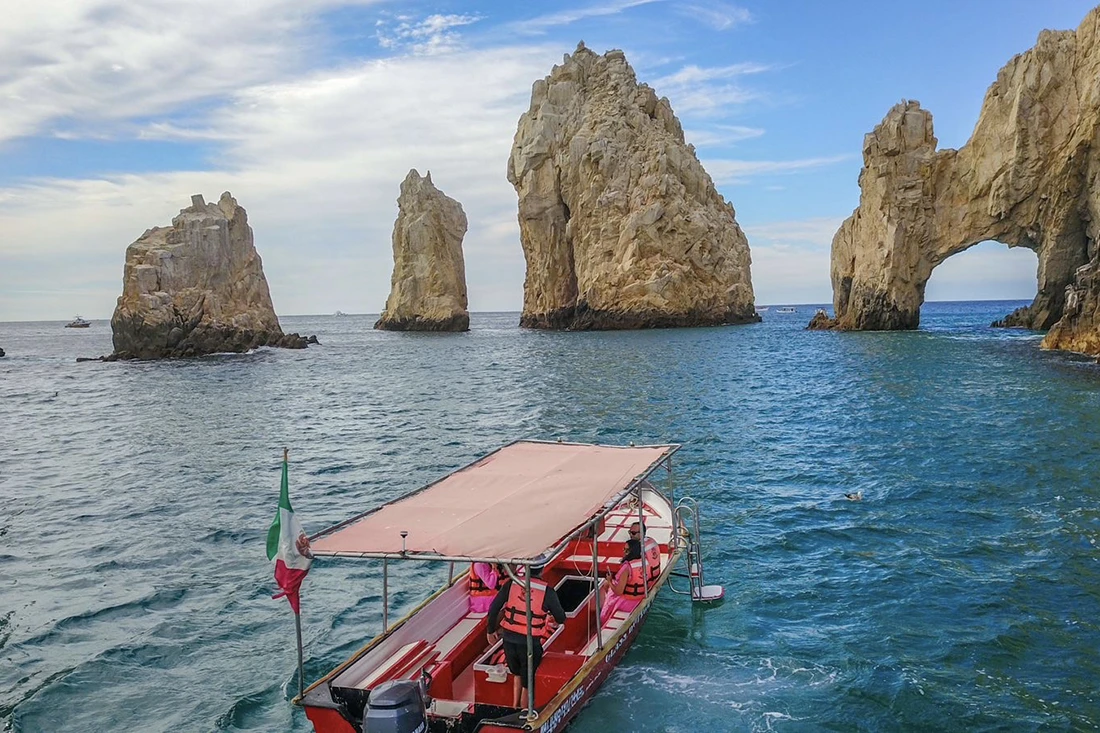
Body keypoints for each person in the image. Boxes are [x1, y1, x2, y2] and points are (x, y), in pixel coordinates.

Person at [486, 564, 567, 709]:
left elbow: (493, 609)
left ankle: (514, 707)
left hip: (509, 640)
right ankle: (524, 714)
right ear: (541, 570)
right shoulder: (547, 592)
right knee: (527, 683)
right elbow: (561, 617)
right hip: (529, 644)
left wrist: (490, 631)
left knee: (517, 674)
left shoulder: (512, 584)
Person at [601, 538, 646, 624]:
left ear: (632, 552)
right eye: (624, 549)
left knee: (603, 616)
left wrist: (610, 581)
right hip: (640, 596)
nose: (624, 552)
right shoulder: (643, 562)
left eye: (627, 550)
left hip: (627, 601)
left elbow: (619, 591)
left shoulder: (627, 568)